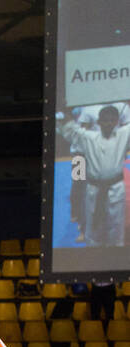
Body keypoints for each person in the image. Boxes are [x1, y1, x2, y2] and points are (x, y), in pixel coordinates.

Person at [60, 104, 130, 247]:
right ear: (98, 122)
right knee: (93, 227)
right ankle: (80, 224)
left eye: (112, 120)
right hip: (91, 184)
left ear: (117, 121)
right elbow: (69, 130)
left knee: (116, 230)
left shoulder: (124, 133)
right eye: (105, 120)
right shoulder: (89, 136)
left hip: (115, 188)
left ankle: (115, 262)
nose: (109, 123)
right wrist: (66, 111)